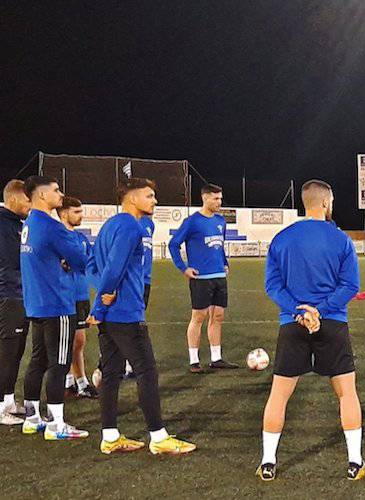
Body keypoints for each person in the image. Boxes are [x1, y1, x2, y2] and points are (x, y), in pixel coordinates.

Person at [259, 180, 365, 482]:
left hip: (292, 324)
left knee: (279, 395)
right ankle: (354, 463)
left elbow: (272, 286)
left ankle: (268, 463)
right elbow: (351, 286)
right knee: (347, 393)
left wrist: (301, 310)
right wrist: (318, 311)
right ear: (325, 202)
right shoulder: (341, 240)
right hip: (332, 322)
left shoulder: (282, 239)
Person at [90, 177, 196, 456]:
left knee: (111, 373)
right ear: (132, 198)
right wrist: (102, 303)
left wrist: (100, 305)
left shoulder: (110, 225)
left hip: (112, 315)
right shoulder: (129, 226)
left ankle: (110, 435)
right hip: (125, 313)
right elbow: (114, 268)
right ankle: (158, 437)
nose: (155, 201)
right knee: (146, 371)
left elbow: (94, 265)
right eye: (149, 196)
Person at [19, 175, 89, 439]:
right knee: (59, 363)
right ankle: (57, 424)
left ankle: (32, 417)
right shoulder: (52, 225)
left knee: (37, 360)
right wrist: (70, 261)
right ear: (41, 196)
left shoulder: (30, 224)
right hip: (56, 303)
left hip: (36, 303)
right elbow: (80, 260)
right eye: (56, 191)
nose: (61, 195)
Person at [169, 183, 237, 373]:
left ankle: (216, 358)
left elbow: (220, 245)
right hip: (201, 278)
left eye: (220, 198)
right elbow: (173, 244)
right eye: (215, 198)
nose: (219, 202)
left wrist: (225, 263)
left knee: (218, 316)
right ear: (205, 198)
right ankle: (194, 360)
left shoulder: (220, 221)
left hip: (219, 276)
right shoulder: (192, 222)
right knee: (199, 316)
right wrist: (183, 268)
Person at [56, 197, 99, 399]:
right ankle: (79, 382)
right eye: (76, 212)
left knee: (78, 341)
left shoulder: (81, 239)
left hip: (81, 295)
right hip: (64, 296)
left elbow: (89, 263)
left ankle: (73, 381)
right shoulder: (56, 236)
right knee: (68, 342)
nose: (81, 215)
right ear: (64, 213)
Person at [0, 180, 30, 425]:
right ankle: (1, 406)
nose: (30, 204)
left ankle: (8, 399)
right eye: (27, 199)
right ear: (13, 199)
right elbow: (11, 263)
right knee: (7, 351)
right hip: (8, 295)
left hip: (19, 294)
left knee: (17, 350)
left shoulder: (16, 224)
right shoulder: (3, 225)